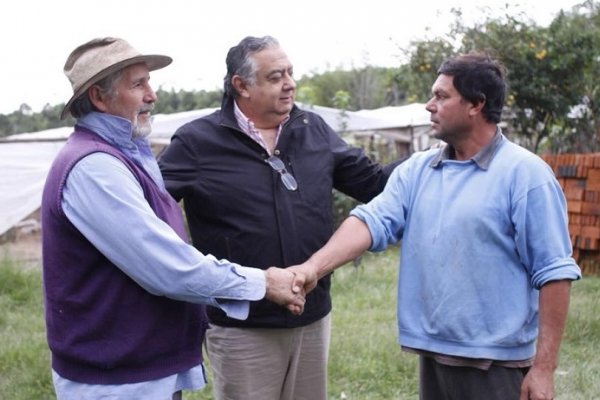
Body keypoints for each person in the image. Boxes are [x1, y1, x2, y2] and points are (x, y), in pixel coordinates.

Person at [289, 52, 582, 400]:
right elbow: (372, 219)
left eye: (441, 96)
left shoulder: (525, 175)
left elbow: (554, 273)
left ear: (476, 104)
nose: (429, 105)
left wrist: (544, 369)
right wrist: (312, 269)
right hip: (433, 355)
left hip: (497, 366)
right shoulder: (419, 169)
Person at [41, 37, 306, 400]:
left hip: (134, 369)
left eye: (148, 82)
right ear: (99, 98)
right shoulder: (95, 168)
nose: (152, 95)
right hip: (117, 382)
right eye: (138, 85)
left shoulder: (124, 155)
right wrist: (262, 283)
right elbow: (167, 267)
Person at [157, 35, 404, 400]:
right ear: (241, 85)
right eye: (275, 76)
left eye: (290, 72)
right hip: (243, 326)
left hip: (312, 315)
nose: (290, 83)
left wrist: (434, 158)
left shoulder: (311, 129)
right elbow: (151, 211)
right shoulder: (198, 142)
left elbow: (374, 183)